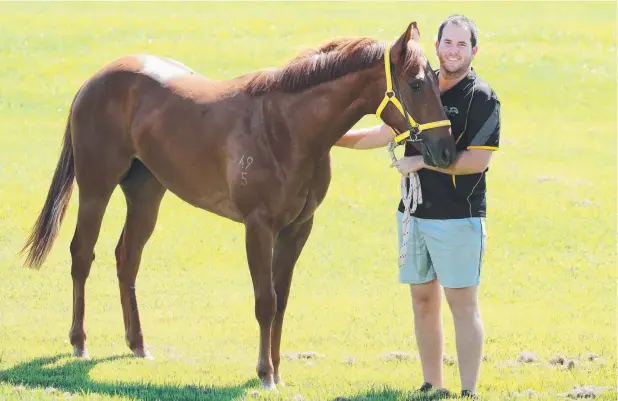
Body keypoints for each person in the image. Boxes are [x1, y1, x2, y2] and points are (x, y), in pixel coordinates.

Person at [335, 14, 501, 399]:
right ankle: (432, 386)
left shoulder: (482, 98)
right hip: (413, 215)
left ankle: (469, 391)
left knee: (462, 305)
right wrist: (334, 138)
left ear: (474, 51)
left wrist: (420, 161)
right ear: (437, 47)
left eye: (462, 45)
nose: (453, 51)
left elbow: (477, 161)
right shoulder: (422, 86)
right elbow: (384, 132)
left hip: (459, 219)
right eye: (448, 43)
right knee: (422, 300)